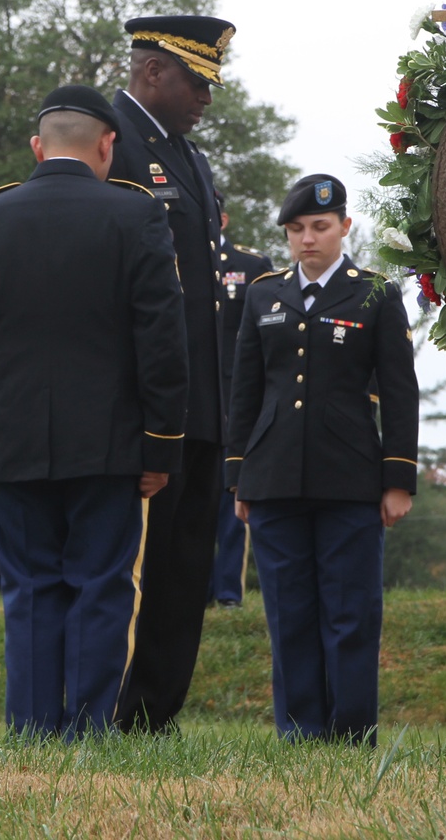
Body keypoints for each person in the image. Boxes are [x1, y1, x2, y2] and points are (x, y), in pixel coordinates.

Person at [0, 85, 189, 737]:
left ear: (37, 146)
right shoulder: (136, 217)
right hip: (110, 446)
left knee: (29, 591)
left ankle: (32, 731)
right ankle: (88, 733)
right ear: (107, 145)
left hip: (9, 445)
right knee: (103, 587)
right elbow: (162, 342)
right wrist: (161, 445)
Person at [226, 174, 419, 745]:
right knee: (289, 611)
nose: (307, 239)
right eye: (296, 229)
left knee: (350, 611)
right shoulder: (264, 294)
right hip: (273, 475)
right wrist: (238, 477)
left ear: (344, 228)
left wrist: (398, 479)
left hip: (350, 476)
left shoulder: (375, 293)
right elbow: (246, 390)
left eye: (319, 227)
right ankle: (300, 731)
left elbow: (400, 391)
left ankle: (352, 731)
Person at [110, 15, 234, 734]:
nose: (206, 98)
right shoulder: (110, 142)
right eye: (197, 81)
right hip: (143, 404)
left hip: (199, 399)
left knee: (185, 569)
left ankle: (156, 711)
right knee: (134, 571)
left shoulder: (188, 155)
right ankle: (116, 705)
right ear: (153, 70)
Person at [209, 192, 273, 607]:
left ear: (224, 220)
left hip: (236, 404)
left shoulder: (252, 268)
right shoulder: (166, 263)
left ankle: (229, 594)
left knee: (232, 501)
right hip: (186, 405)